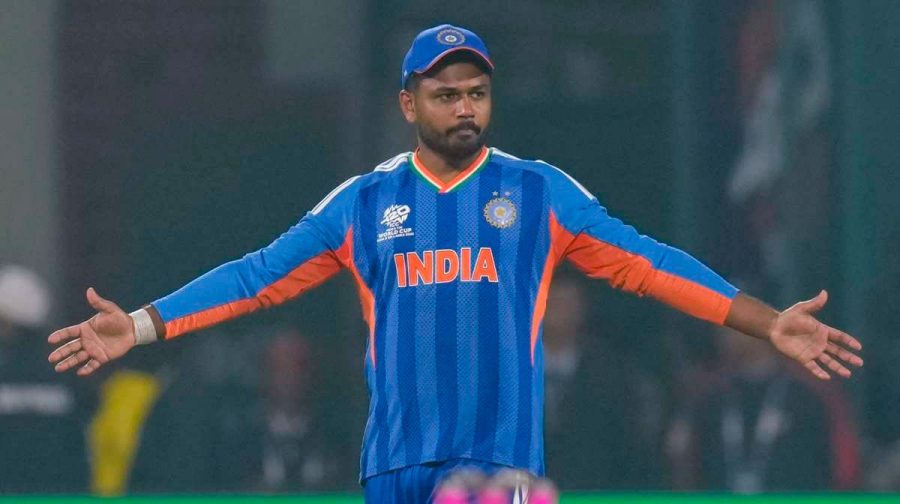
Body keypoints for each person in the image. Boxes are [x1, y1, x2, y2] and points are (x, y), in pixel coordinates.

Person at [47, 24, 863, 502]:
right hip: (396, 466)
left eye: (476, 91)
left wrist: (765, 323)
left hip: (499, 468)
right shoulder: (364, 203)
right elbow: (257, 276)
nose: (464, 106)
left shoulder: (537, 193)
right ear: (409, 104)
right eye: (445, 93)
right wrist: (145, 324)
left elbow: (647, 264)